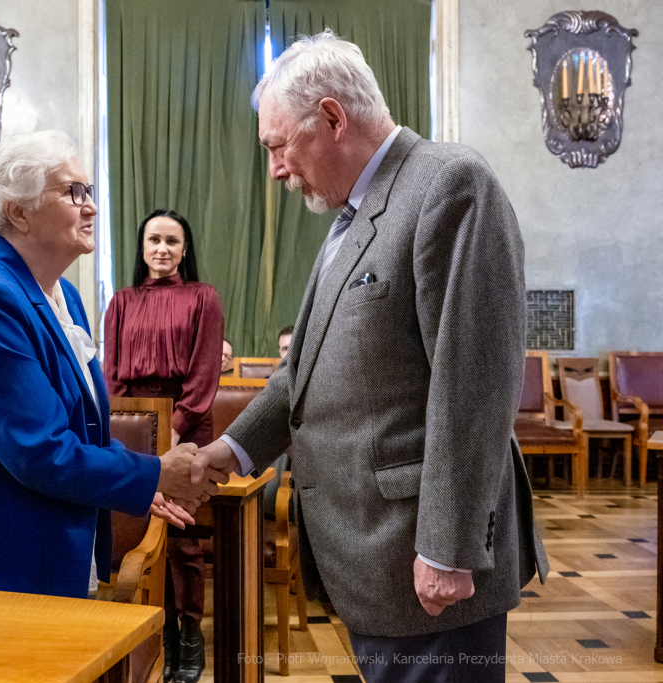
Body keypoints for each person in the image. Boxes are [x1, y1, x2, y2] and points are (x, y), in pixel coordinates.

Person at [193, 30, 548, 683]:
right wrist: (235, 449)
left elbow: (473, 382)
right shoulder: (352, 215)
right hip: (373, 554)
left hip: (425, 559)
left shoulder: (447, 184)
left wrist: (446, 543)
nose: (274, 169)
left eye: (277, 146)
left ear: (332, 116)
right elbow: (306, 371)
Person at [0, 131, 221, 599]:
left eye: (89, 192)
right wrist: (151, 473)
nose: (90, 206)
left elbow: (81, 425)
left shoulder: (62, 294)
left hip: (41, 536)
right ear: (18, 212)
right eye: (73, 192)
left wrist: (136, 482)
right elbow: (38, 450)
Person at [104, 209, 223, 683]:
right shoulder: (121, 301)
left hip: (186, 427)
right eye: (154, 239)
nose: (162, 249)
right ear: (142, 246)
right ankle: (152, 634)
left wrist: (171, 431)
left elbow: (202, 376)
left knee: (183, 540)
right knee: (136, 532)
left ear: (184, 250)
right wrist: (130, 434)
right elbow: (111, 375)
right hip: (134, 430)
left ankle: (187, 641)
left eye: (172, 241)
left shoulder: (202, 298)